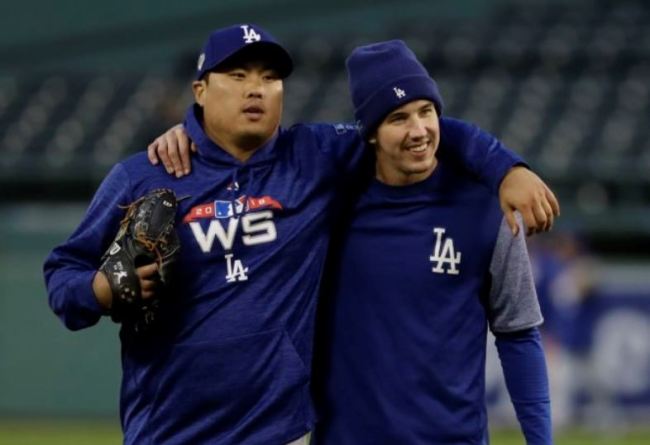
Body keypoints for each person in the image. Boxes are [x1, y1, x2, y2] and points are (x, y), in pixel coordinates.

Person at [45, 24, 557, 445]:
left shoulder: (313, 158)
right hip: (168, 430)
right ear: (200, 89)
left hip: (279, 433)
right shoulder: (145, 176)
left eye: (270, 77)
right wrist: (96, 290)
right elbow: (62, 272)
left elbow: (417, 127)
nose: (256, 88)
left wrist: (507, 168)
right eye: (238, 74)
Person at [309, 40, 552, 444]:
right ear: (369, 134)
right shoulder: (328, 209)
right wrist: (191, 132)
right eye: (399, 118)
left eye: (427, 112)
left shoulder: (488, 209)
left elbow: (519, 333)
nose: (419, 131)